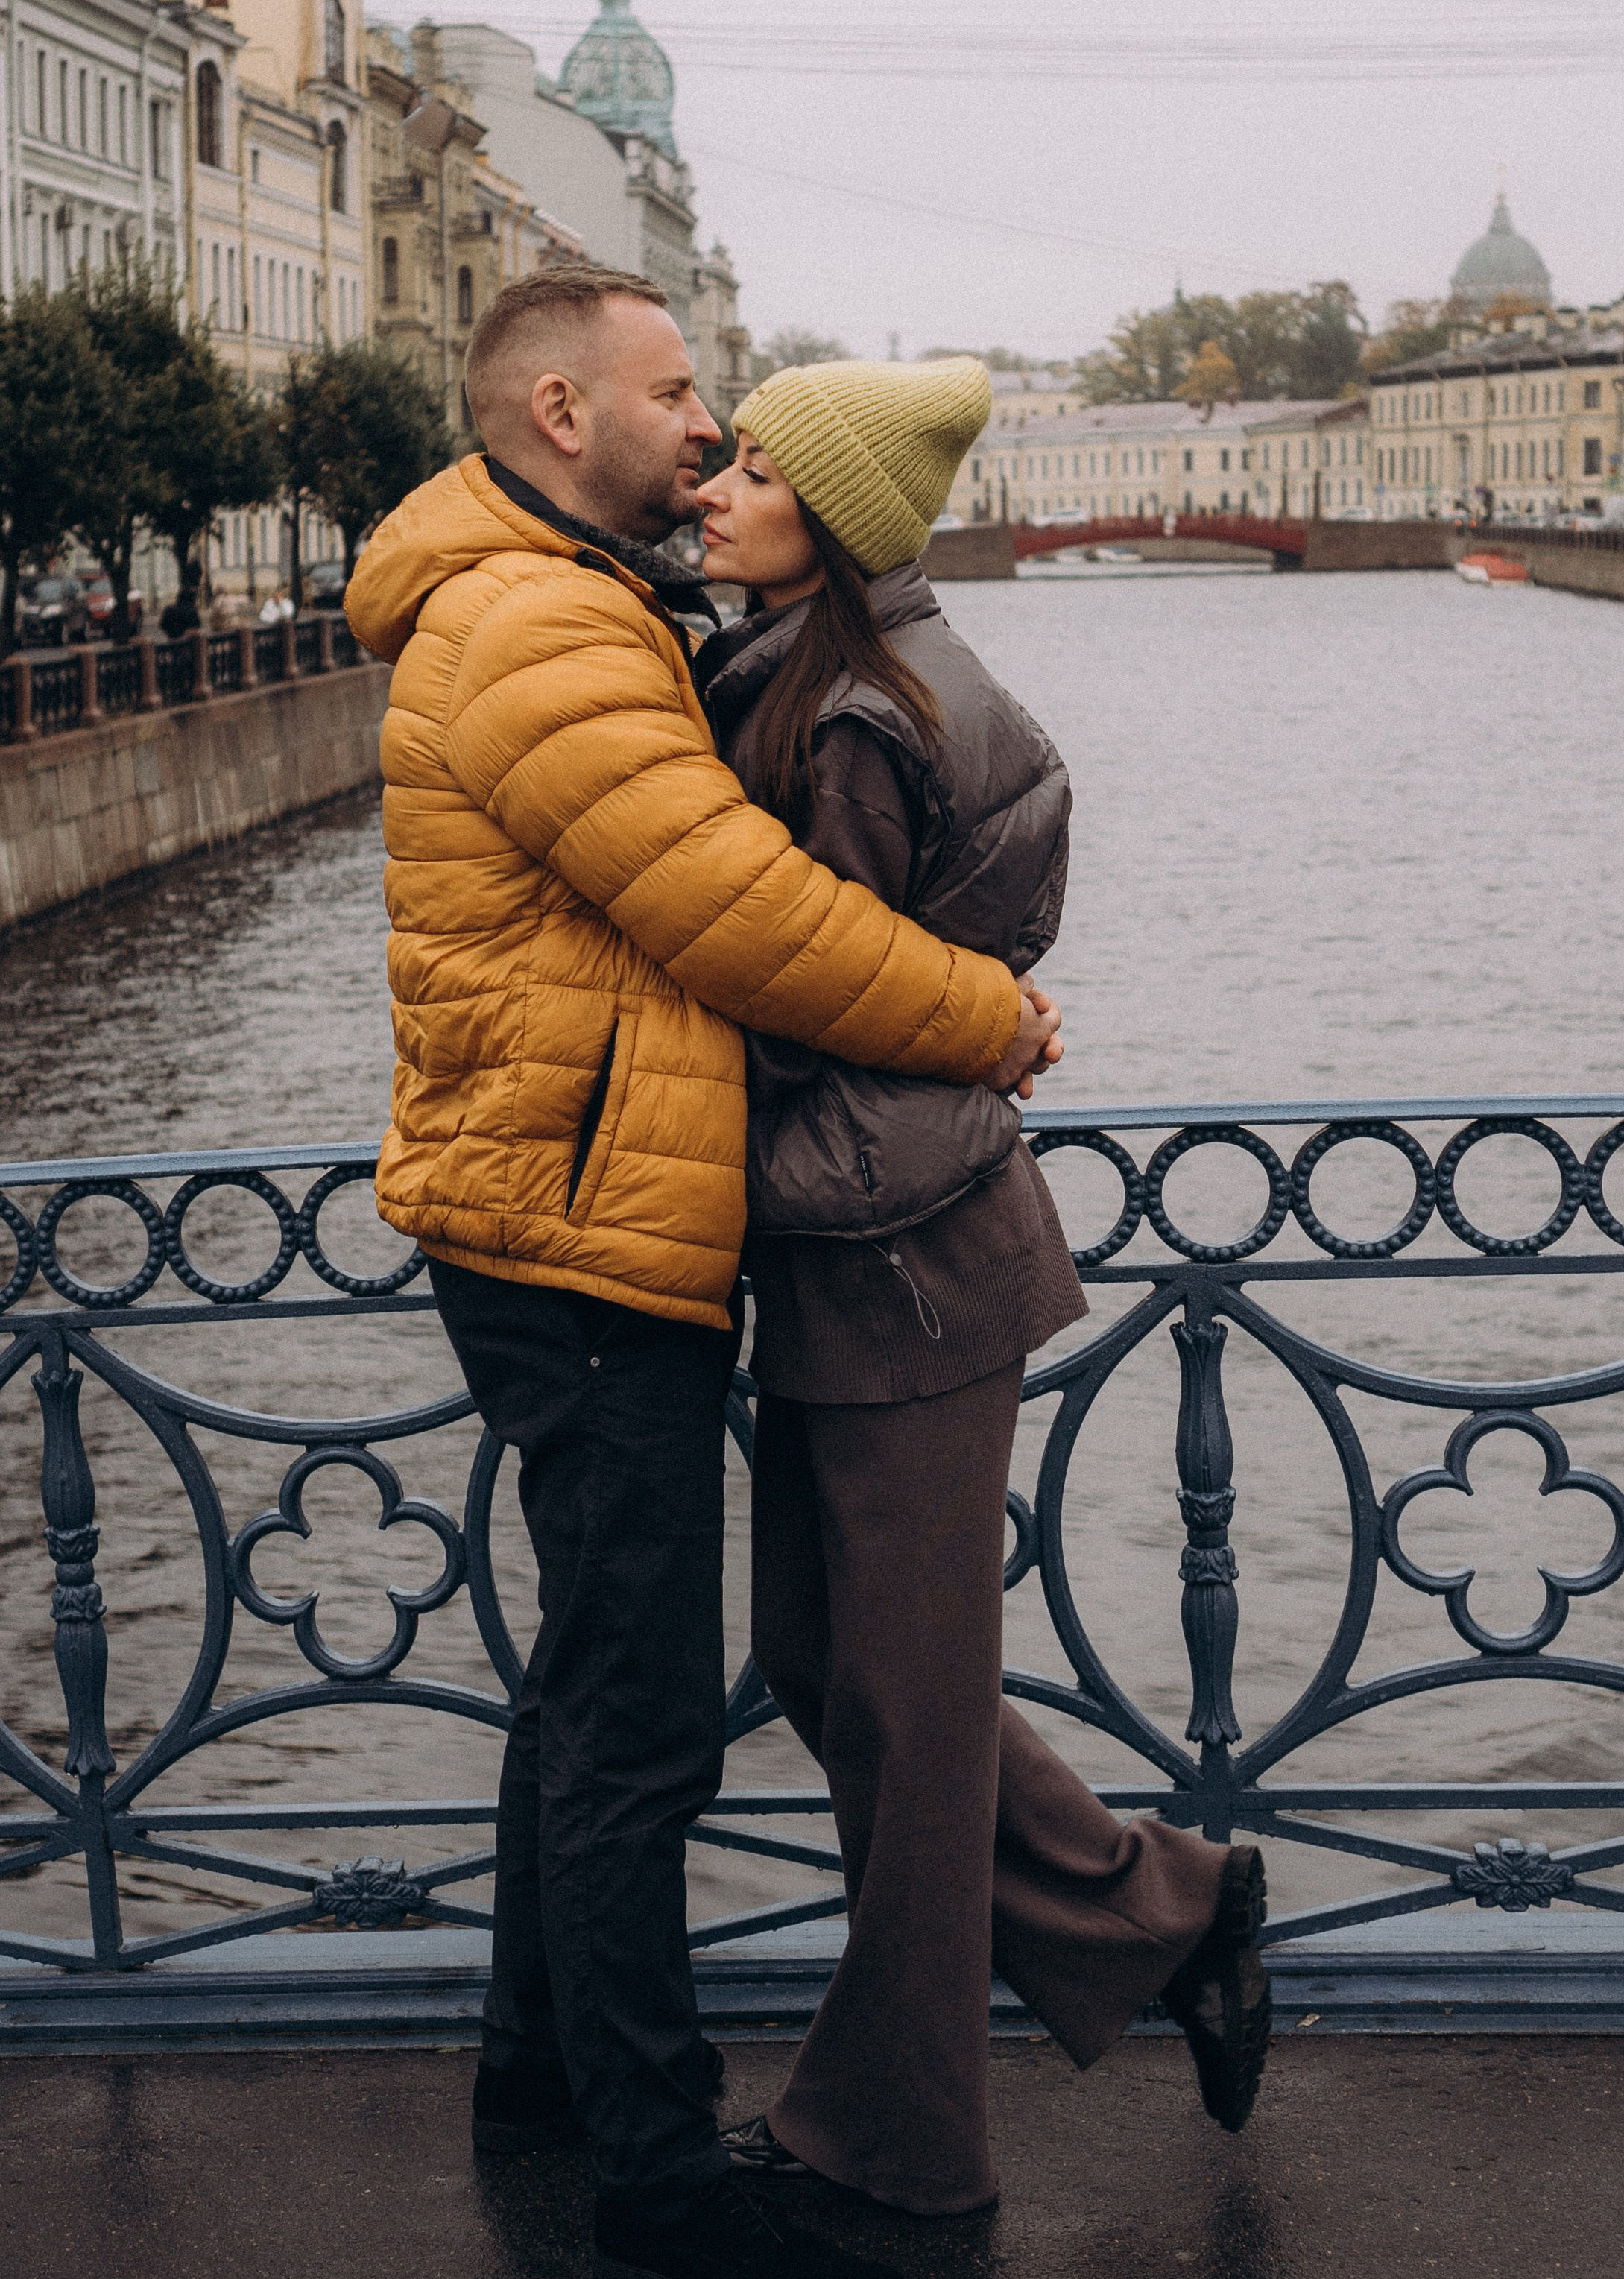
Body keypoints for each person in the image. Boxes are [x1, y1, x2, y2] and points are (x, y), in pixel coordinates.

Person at [343, 268, 1061, 2279]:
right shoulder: (539, 620)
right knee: (643, 1714)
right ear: (560, 411)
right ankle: (654, 2174)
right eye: (679, 396)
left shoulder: (555, 595)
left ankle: (535, 2073)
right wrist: (984, 1015)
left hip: (571, 1207)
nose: (704, 427)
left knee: (591, 1677)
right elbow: (738, 913)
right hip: (581, 1232)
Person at [690, 356, 1271, 2221]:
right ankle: (1175, 1906)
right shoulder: (819, 672)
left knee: (910, 1720)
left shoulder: (855, 716)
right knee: (832, 1662)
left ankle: (898, 2142)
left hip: (903, 1260)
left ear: (836, 520)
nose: (714, 479)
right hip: (881, 1238)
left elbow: (814, 988)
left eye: (759, 468)